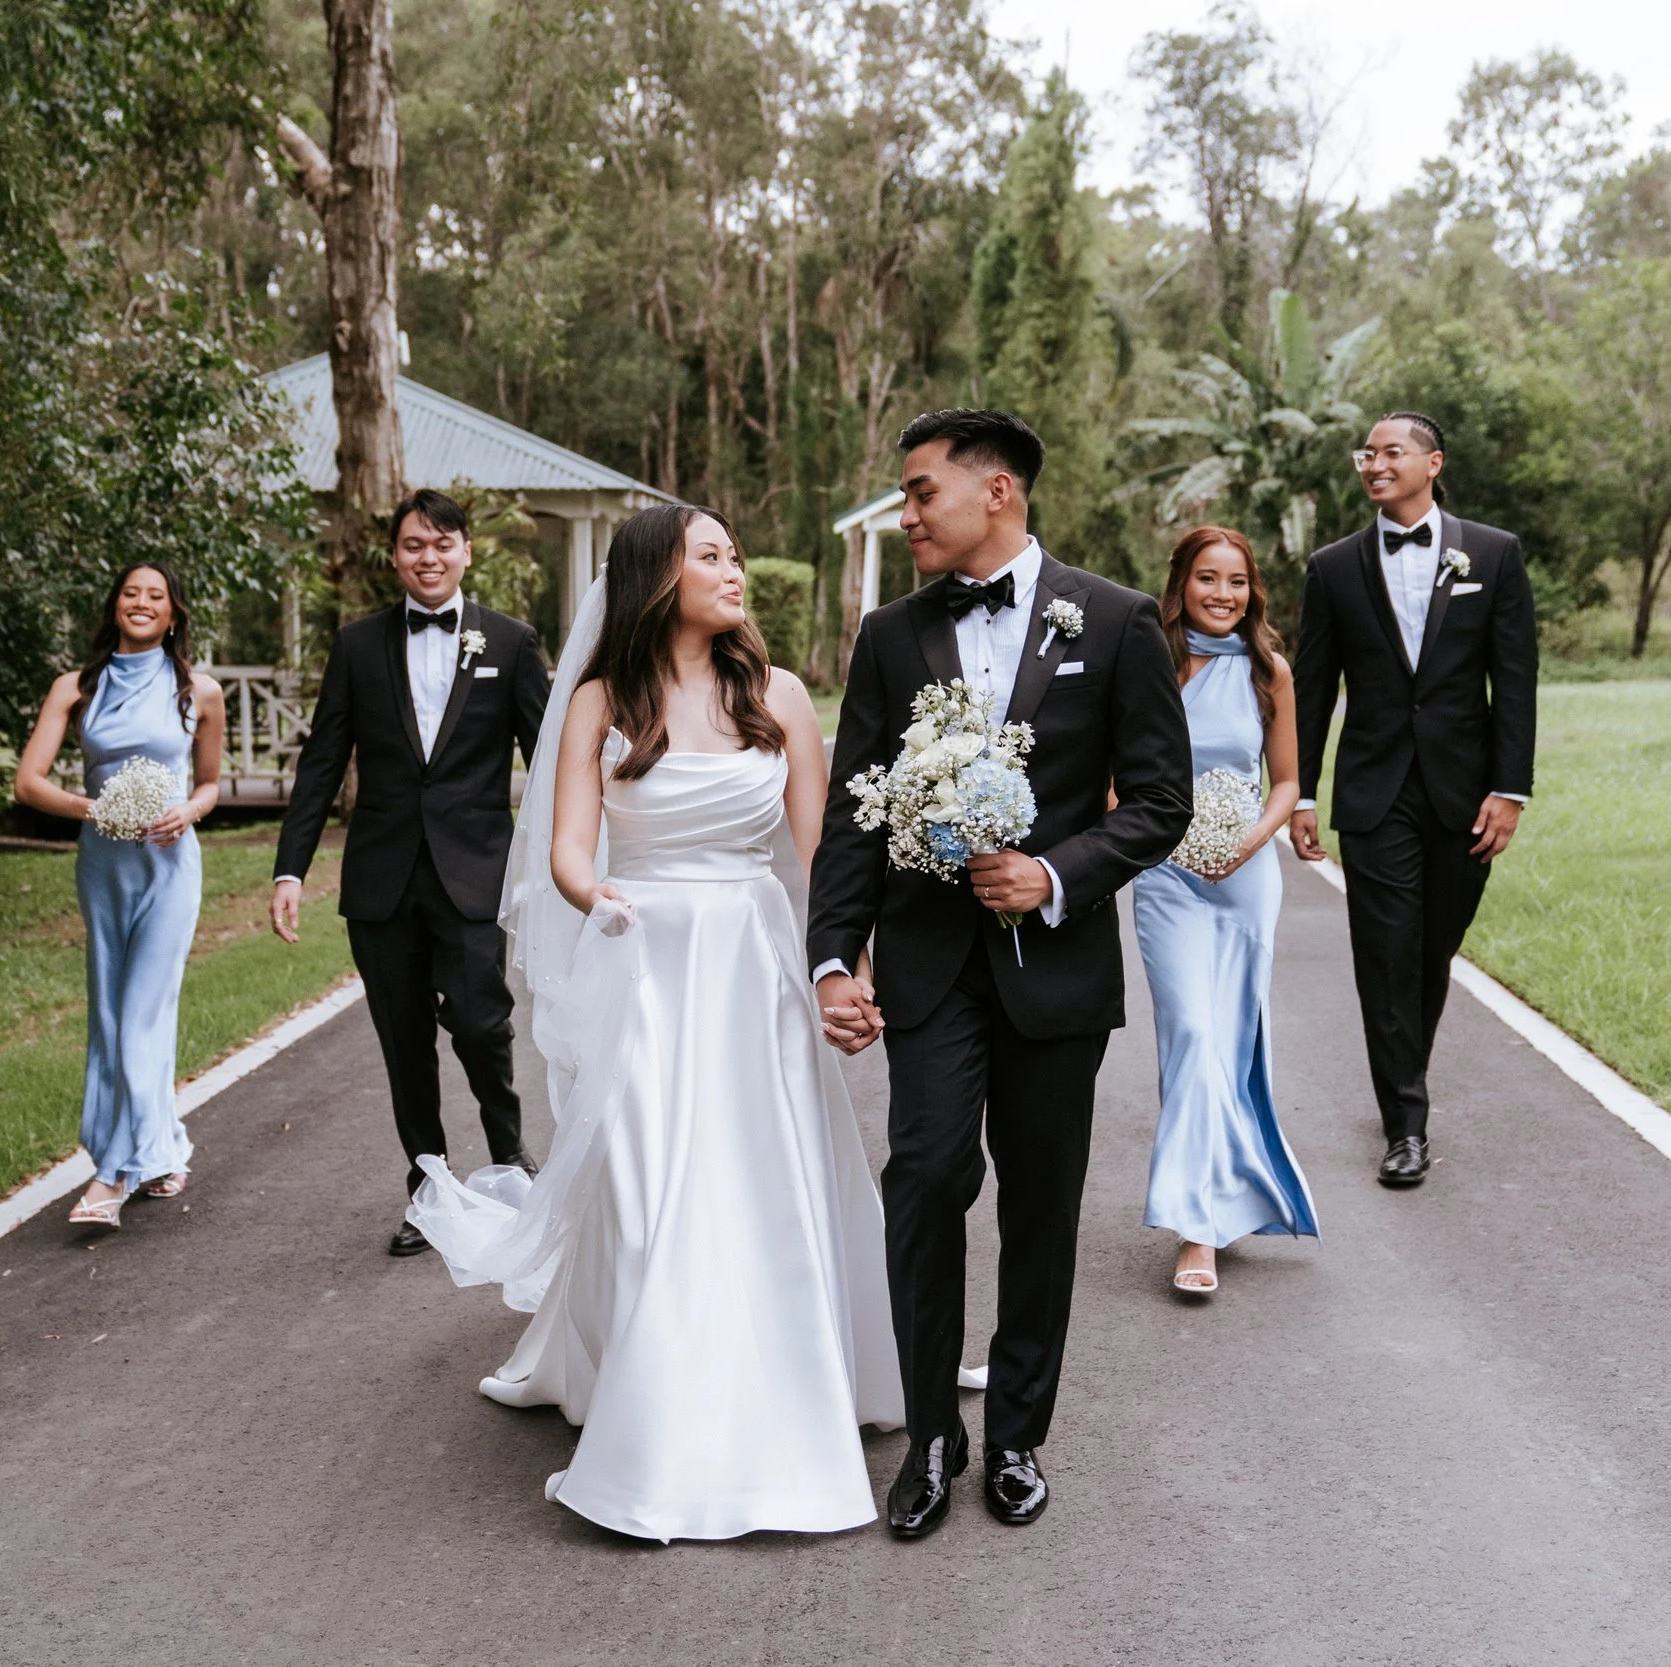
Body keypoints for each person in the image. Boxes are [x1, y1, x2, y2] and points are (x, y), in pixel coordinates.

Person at [406, 503, 901, 1543]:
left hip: (752, 966)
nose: (734, 571)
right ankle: (655, 1406)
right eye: (710, 554)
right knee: (649, 1179)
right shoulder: (599, 699)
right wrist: (600, 901)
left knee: (760, 1172)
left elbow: (826, 857)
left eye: (732, 552)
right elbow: (568, 850)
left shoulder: (780, 696)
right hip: (645, 959)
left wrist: (845, 968)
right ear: (655, 577)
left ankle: (782, 1381)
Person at [809, 408, 1191, 1539]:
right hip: (928, 967)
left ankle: (1017, 1430)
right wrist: (836, 955)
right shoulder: (887, 633)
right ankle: (932, 1430)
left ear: (998, 493)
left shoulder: (1116, 620)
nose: (909, 513)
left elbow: (1161, 802)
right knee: (923, 1175)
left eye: (922, 492)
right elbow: (849, 813)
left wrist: (1056, 872)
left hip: (1054, 971)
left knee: (1041, 1203)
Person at [270, 489, 551, 1255]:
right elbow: (324, 758)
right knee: (403, 1039)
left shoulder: (510, 641)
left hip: (473, 874)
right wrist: (289, 869)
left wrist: (567, 855)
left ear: (465, 551)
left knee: (482, 1022)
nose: (428, 557)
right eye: (413, 545)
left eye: (442, 543)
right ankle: (428, 1187)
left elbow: (550, 759)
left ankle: (509, 1159)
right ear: (394, 556)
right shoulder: (358, 645)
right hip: (382, 879)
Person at [1288, 411, 1539, 1187]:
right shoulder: (1332, 568)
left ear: (1433, 462)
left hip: (1465, 791)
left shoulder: (1492, 554)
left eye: (1391, 452)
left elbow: (1516, 677)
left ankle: (1406, 1075)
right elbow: (1311, 685)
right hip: (1373, 791)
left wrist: (1510, 787)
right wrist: (1300, 790)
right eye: (1367, 453)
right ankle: (1406, 1124)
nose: (1374, 463)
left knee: (1433, 948)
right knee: (1386, 954)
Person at [1131, 528, 1318, 1297]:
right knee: (1193, 1034)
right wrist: (1143, 825)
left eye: (1236, 581)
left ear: (1253, 590)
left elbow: (1286, 782)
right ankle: (1195, 1229)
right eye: (1208, 579)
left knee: (1231, 1038)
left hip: (1244, 876)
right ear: (1182, 584)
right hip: (1165, 874)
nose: (1222, 594)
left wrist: (1247, 843)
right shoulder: (1152, 664)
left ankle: (1219, 1197)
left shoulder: (1271, 671)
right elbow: (1119, 769)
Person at [14, 563, 226, 1228]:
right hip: (104, 863)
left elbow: (212, 784)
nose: (141, 602)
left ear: (173, 614)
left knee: (143, 1011)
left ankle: (113, 1173)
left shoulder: (200, 690)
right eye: (130, 593)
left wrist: (187, 812)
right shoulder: (76, 687)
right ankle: (163, 1147)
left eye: (155, 596)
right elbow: (28, 782)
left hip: (169, 865)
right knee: (112, 1012)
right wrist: (94, 807)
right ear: (114, 607)